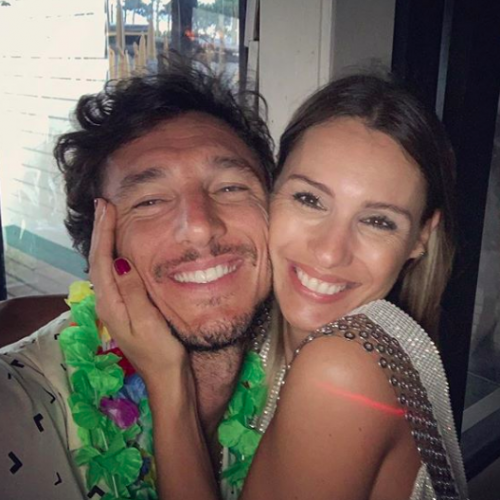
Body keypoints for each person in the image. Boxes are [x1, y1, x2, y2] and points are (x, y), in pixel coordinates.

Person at [94, 74, 468, 500]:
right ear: (272, 190)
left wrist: (167, 381)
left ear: (422, 236)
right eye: (310, 200)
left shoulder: (343, 370)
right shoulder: (263, 334)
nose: (329, 252)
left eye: (378, 221)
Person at [0, 58, 276, 500]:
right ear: (101, 247)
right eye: (149, 201)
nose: (200, 226)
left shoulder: (309, 378)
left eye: (231, 188)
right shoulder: (18, 406)